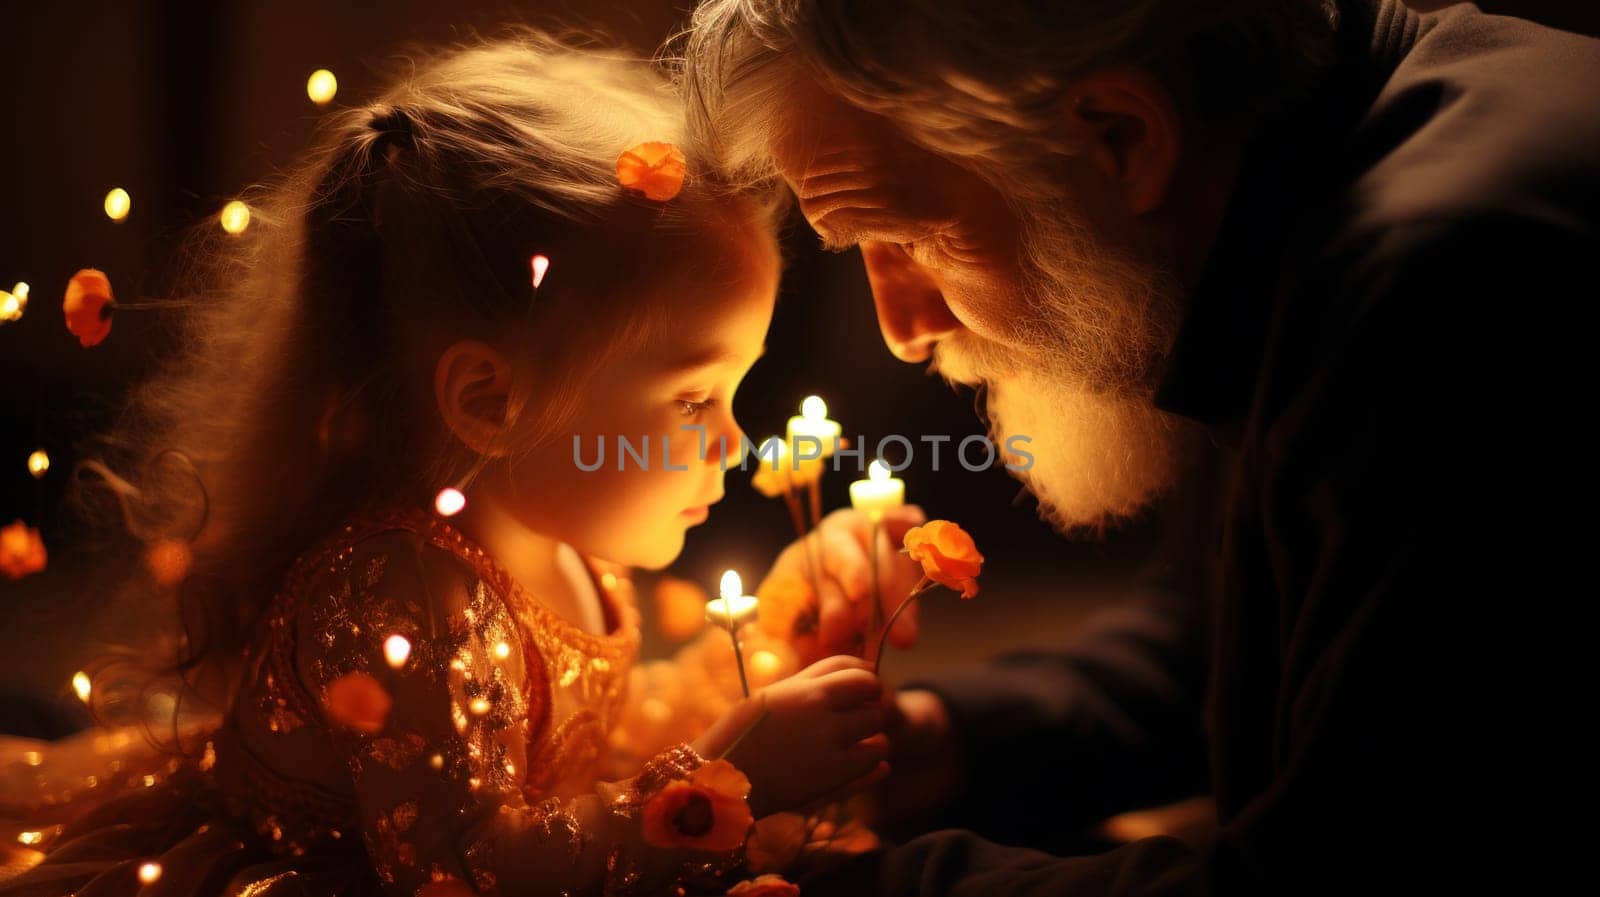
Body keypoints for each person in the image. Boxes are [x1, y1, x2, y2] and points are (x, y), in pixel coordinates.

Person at [683, 0, 1599, 892]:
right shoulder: (1281, 199)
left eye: (912, 237)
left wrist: (833, 884)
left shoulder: (1457, 292)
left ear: (1121, 136)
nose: (902, 329)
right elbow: (1235, 645)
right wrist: (940, 744)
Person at [0, 32, 892, 897]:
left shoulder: (559, 534)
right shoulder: (406, 597)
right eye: (696, 398)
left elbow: (592, 740)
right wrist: (723, 777)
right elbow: (466, 866)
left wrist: (781, 638)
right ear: (491, 402)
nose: (735, 444)